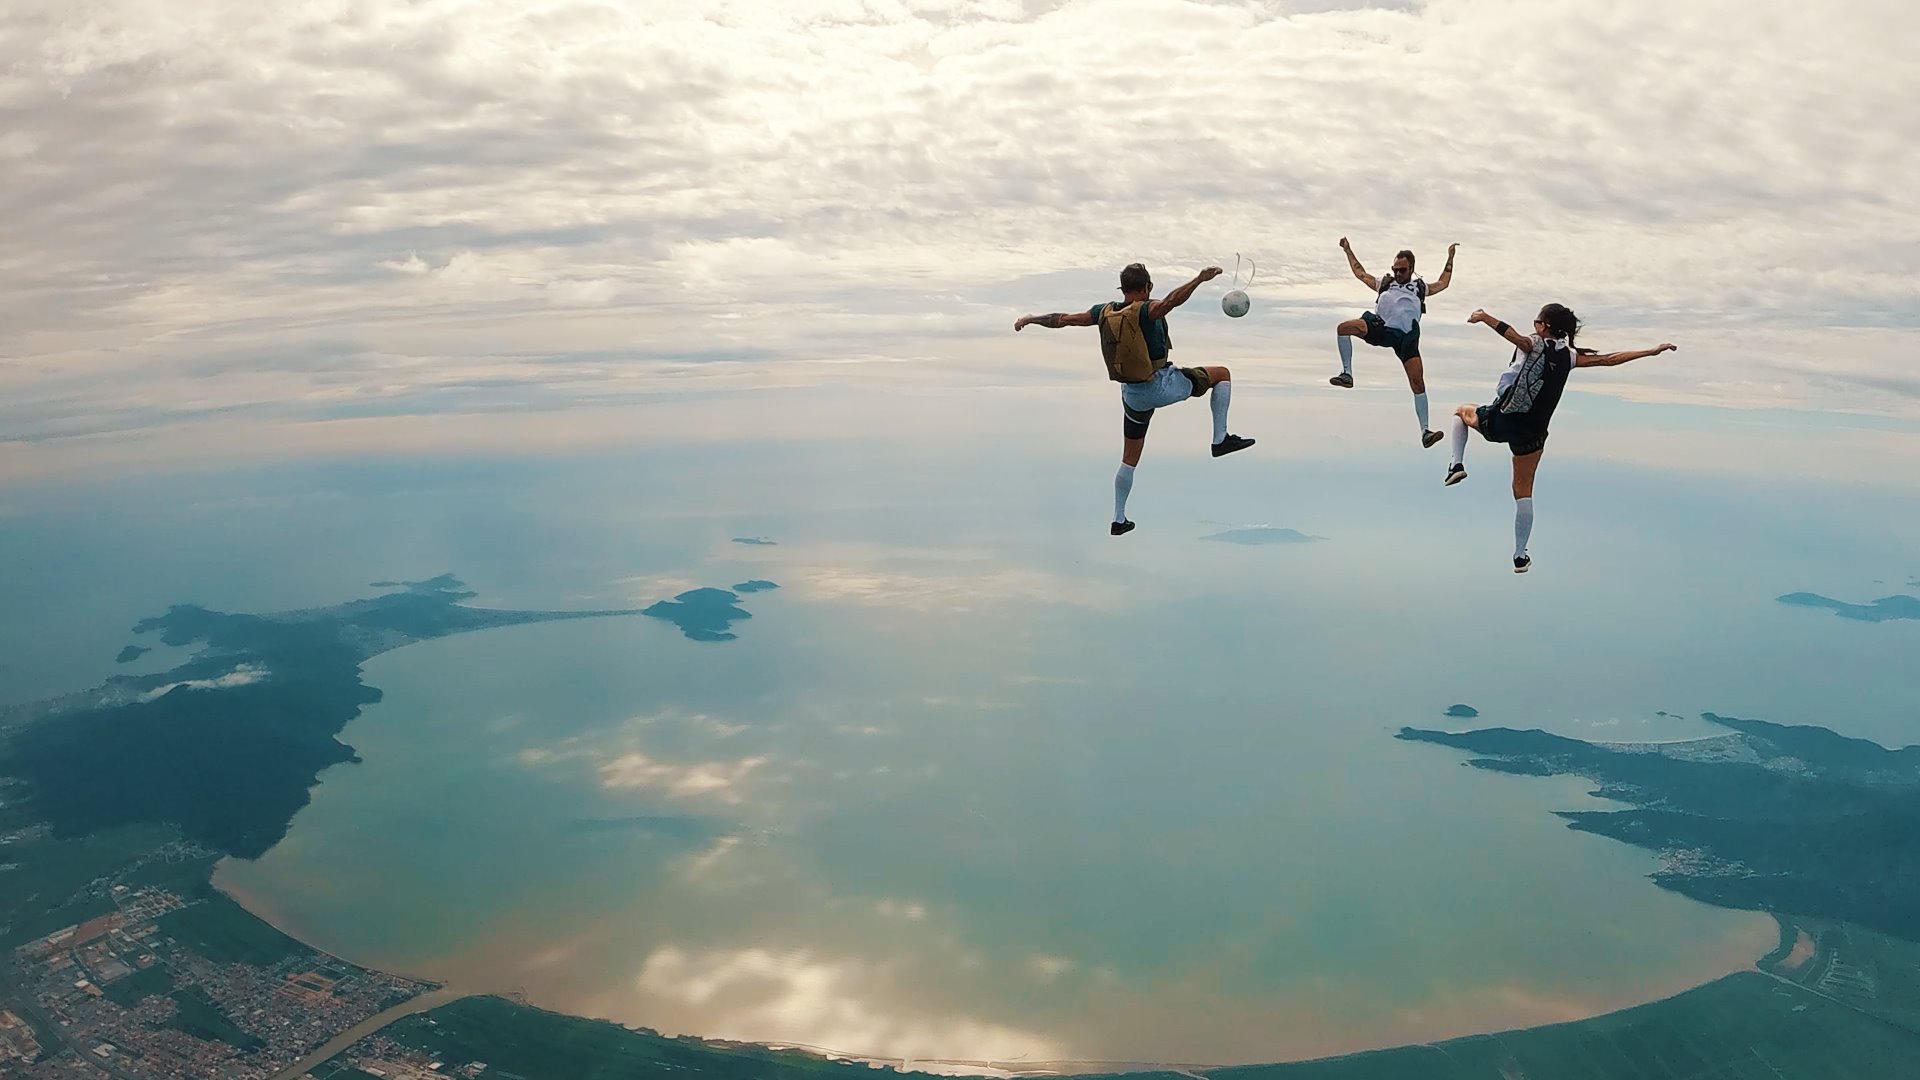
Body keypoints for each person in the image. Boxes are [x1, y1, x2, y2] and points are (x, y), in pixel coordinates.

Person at [1015, 262, 1254, 536]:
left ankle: (1119, 519)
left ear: (1122, 288)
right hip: (1159, 385)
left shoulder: (1104, 311)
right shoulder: (1146, 309)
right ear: (1146, 287)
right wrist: (1199, 279)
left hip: (1132, 396)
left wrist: (1031, 318)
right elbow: (1171, 302)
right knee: (1221, 375)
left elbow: (1064, 319)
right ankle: (1219, 439)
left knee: (1129, 458)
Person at [1443, 303, 1677, 572]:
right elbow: (1609, 359)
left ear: (1543, 326)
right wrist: (1651, 351)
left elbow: (1512, 335)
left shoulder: (1534, 344)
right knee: (1523, 492)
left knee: (1461, 412)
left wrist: (1484, 317)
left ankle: (1456, 465)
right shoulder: (1569, 356)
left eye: (1536, 323)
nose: (1534, 328)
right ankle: (1520, 556)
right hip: (1534, 432)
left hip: (1504, 419)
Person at [1329, 239, 1456, 449]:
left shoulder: (1419, 288)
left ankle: (1425, 431)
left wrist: (1450, 258)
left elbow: (1443, 283)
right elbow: (1361, 273)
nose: (1398, 273)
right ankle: (1347, 374)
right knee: (1344, 328)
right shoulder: (1386, 283)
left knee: (1417, 382)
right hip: (1381, 327)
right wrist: (1348, 250)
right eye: (1395, 269)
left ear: (1411, 269)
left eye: (1402, 270)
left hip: (1406, 336)